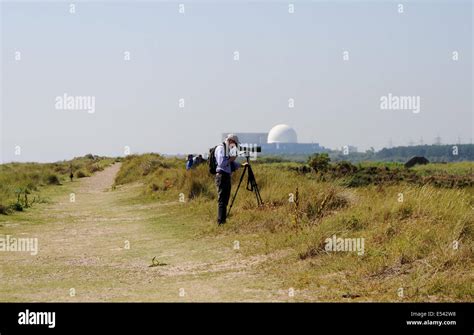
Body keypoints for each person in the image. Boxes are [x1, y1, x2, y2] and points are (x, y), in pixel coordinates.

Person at [214, 134, 246, 225]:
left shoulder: (227, 149)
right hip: (222, 176)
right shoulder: (221, 148)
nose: (235, 146)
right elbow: (222, 163)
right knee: (222, 199)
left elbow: (230, 164)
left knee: (225, 199)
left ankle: (223, 220)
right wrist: (231, 159)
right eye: (235, 144)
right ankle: (221, 222)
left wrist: (241, 165)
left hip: (226, 176)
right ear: (231, 141)